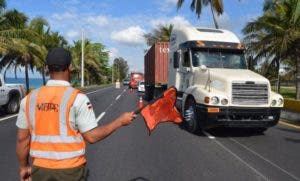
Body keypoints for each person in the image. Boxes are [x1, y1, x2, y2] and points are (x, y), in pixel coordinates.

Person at [16, 47, 136, 181]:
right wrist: (119, 121)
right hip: (71, 170)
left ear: (46, 68)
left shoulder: (28, 99)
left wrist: (24, 166)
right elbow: (91, 136)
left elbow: (22, 139)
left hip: (40, 170)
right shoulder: (77, 98)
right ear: (70, 67)